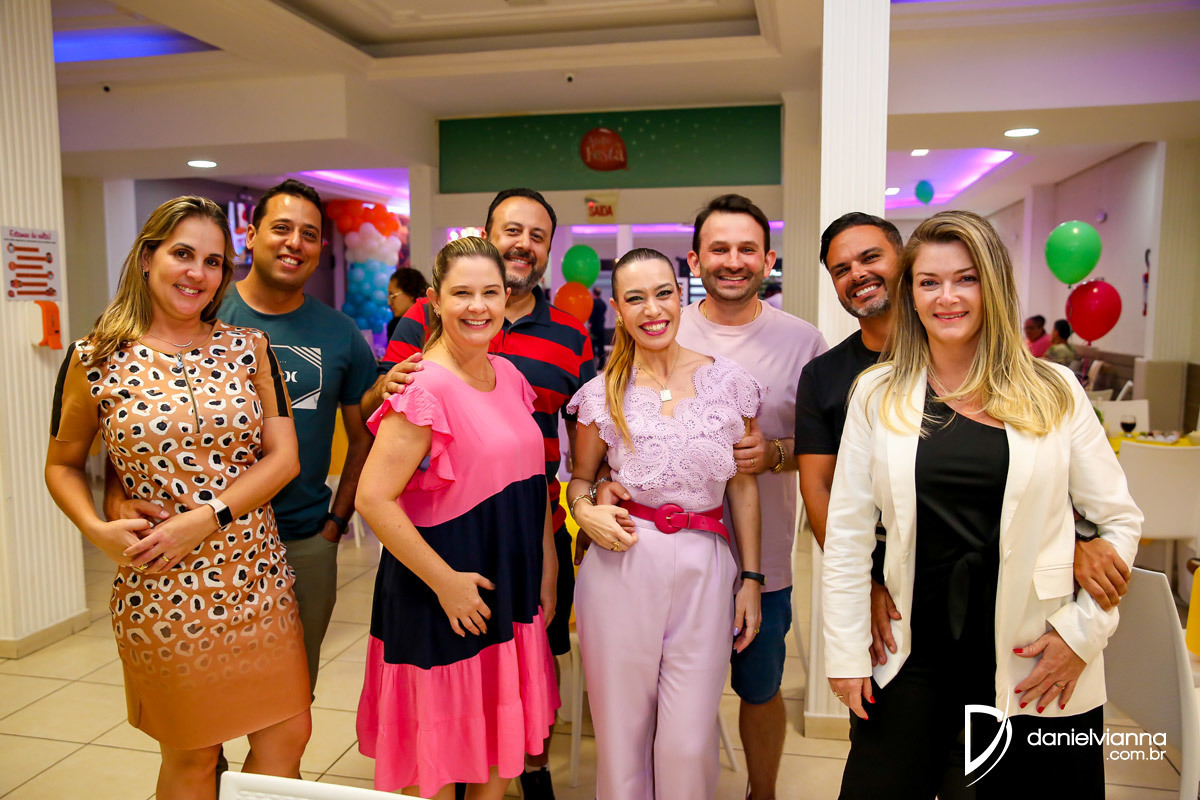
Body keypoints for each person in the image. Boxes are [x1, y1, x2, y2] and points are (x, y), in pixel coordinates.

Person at [822, 210, 1142, 799]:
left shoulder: (1054, 390)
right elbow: (847, 535)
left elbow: (1118, 520)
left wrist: (1081, 636)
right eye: (929, 282)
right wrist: (844, 653)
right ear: (910, 293)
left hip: (1034, 653)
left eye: (965, 279)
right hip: (912, 652)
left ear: (992, 285)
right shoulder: (876, 393)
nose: (946, 297)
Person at [46, 196, 311, 799]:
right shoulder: (95, 358)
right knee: (194, 755)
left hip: (257, 578)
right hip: (165, 587)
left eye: (213, 262)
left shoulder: (249, 347)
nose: (198, 273)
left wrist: (209, 516)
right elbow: (62, 465)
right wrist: (96, 527)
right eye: (183, 254)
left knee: (288, 735)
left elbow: (284, 458)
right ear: (147, 258)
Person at [363, 188, 595, 799]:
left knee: (499, 755)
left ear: (505, 298)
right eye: (462, 293)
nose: (477, 306)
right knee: (441, 765)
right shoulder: (421, 387)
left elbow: (533, 480)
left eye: (489, 293)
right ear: (434, 301)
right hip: (443, 586)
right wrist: (446, 582)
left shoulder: (511, 376)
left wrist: (546, 567)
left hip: (510, 582)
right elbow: (373, 499)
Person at [566, 247, 763, 800]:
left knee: (687, 741)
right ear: (617, 309)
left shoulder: (731, 383)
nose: (652, 310)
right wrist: (586, 509)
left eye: (662, 294)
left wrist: (752, 578)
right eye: (635, 298)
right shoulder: (601, 394)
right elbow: (580, 480)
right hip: (623, 563)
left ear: (681, 296)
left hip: (707, 564)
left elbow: (743, 483)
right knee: (622, 737)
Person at [669, 194, 827, 800]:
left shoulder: (803, 341)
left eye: (746, 249)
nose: (732, 261)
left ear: (768, 259)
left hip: (766, 564)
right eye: (719, 249)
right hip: (676, 554)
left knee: (760, 688)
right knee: (675, 693)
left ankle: (763, 793)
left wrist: (774, 454)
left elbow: (827, 447)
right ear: (694, 260)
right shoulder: (665, 328)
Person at [387, 266, 430, 339]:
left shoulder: (430, 322)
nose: (389, 303)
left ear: (410, 293)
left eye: (393, 296)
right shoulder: (394, 325)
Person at [589, 285, 607, 368]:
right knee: (601, 347)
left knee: (592, 347)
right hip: (601, 327)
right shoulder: (603, 304)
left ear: (593, 293)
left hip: (594, 328)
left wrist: (590, 323)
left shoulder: (593, 303)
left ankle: (592, 364)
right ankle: (602, 364)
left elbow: (592, 315)